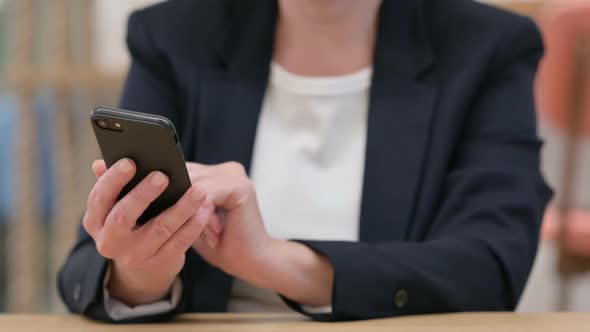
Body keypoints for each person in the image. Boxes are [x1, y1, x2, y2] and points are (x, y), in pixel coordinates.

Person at [58, 0, 552, 323]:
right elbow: (88, 270)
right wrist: (146, 267)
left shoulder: (487, 47)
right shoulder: (173, 35)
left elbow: (490, 267)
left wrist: (274, 261)